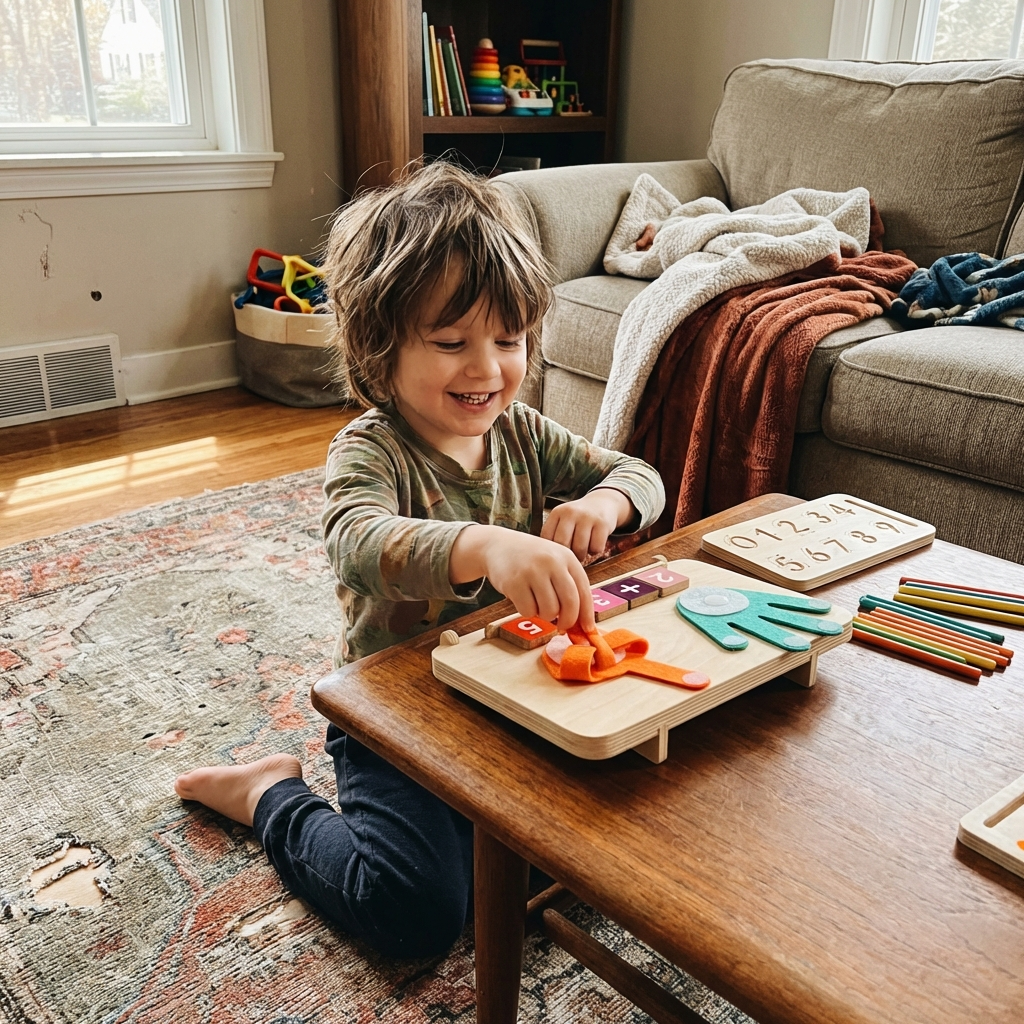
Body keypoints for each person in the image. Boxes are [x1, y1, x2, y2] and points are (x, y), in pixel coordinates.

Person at [174, 161, 665, 958]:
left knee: (624, 824)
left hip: (513, 691)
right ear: (379, 347)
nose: (488, 368)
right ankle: (270, 793)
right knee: (416, 915)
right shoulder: (369, 450)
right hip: (394, 711)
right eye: (451, 342)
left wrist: (604, 504)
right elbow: (358, 542)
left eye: (509, 340)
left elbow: (639, 474)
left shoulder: (523, 434)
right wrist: (485, 545)